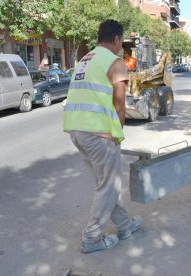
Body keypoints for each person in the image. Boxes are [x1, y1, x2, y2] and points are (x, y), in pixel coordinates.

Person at [63, 19, 142, 253]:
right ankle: (92, 237)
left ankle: (125, 225)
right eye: (122, 41)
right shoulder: (115, 63)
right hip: (99, 133)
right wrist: (117, 135)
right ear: (117, 39)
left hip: (77, 130)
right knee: (108, 185)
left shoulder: (84, 60)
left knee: (106, 184)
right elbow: (120, 105)